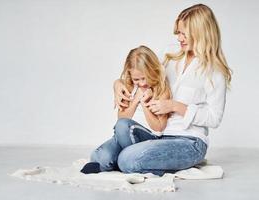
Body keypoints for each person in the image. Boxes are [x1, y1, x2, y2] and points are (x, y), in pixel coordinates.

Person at [111, 4, 232, 176]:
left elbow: (214, 118)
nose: (179, 38)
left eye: (184, 34)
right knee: (102, 157)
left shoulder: (214, 72)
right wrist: (118, 83)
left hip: (189, 142)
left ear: (201, 34)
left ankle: (146, 162)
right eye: (178, 33)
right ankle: (148, 160)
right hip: (157, 135)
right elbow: (143, 74)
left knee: (126, 160)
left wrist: (175, 106)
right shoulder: (170, 55)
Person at [80, 45, 171, 174]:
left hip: (148, 137)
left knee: (122, 126)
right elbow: (121, 117)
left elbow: (159, 128)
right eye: (136, 79)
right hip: (124, 135)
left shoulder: (161, 89)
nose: (141, 83)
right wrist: (136, 98)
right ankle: (124, 161)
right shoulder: (128, 87)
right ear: (129, 74)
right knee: (99, 157)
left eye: (145, 78)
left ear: (153, 71)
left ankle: (131, 161)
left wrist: (145, 103)